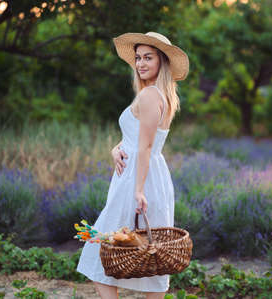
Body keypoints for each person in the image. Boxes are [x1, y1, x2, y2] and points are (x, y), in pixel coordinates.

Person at [76, 31, 189, 299]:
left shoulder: (151, 94)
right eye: (138, 58)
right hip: (142, 176)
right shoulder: (156, 94)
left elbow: (146, 147)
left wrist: (138, 190)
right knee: (149, 255)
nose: (140, 63)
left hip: (139, 180)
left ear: (161, 61)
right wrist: (116, 149)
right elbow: (135, 138)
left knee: (102, 249)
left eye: (148, 57)